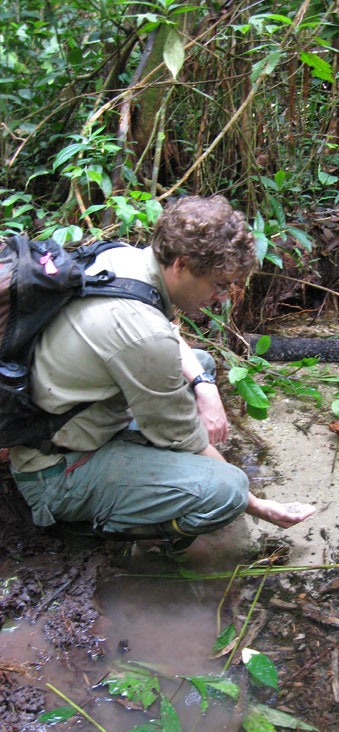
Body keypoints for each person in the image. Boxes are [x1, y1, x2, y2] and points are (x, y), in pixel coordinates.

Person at [9, 195, 316, 544]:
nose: (225, 296)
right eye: (219, 284)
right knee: (227, 490)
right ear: (181, 265)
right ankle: (99, 530)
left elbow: (164, 332)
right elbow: (184, 435)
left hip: (60, 419)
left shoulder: (123, 256)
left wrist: (205, 385)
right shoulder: (140, 332)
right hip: (54, 474)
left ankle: (139, 466)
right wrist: (261, 506)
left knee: (199, 364)